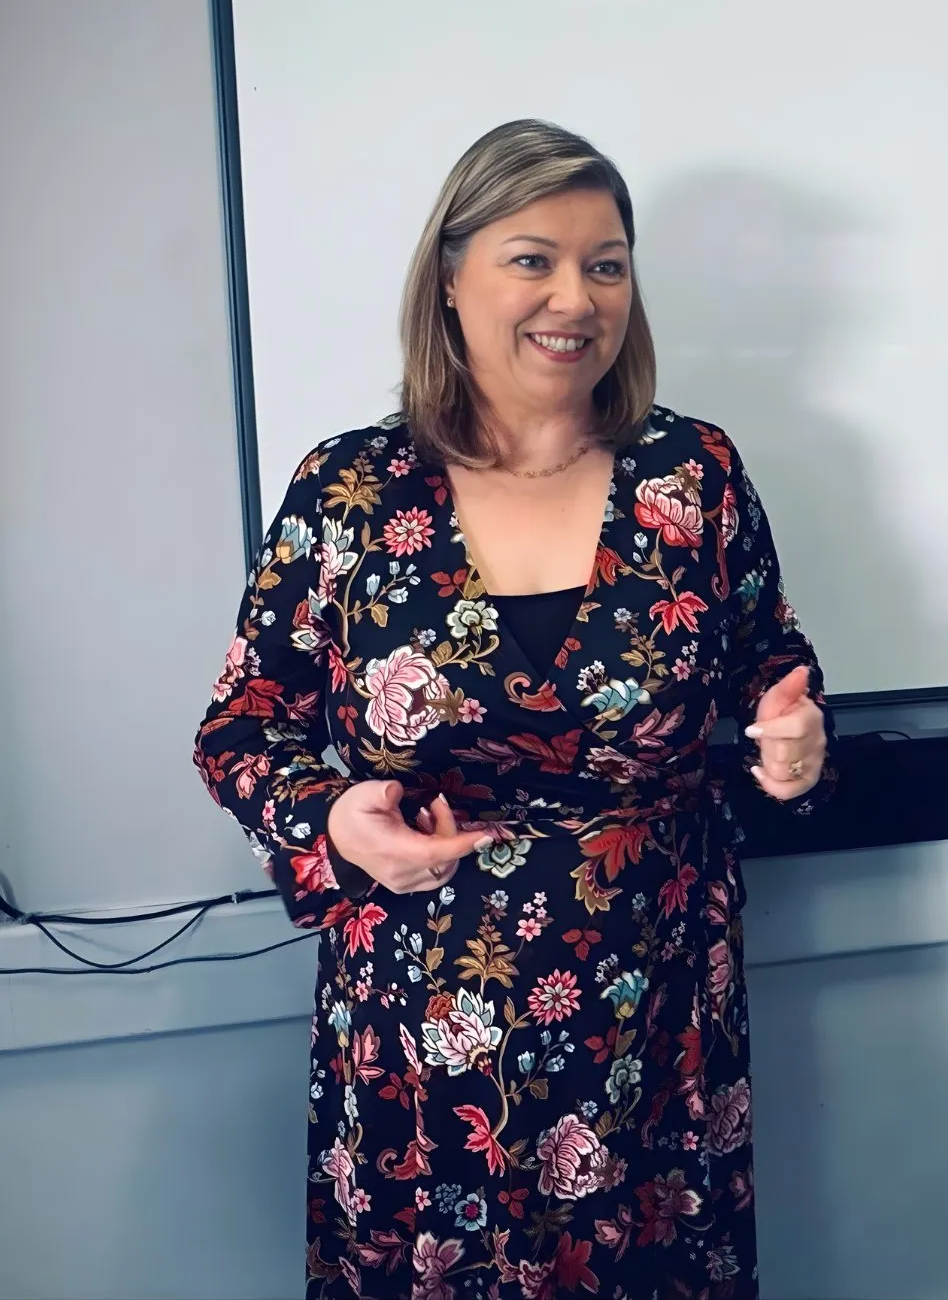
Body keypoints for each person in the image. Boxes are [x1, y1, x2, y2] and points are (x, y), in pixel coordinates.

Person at [194, 118, 837, 1300]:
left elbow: (769, 664)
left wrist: (793, 742)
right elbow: (242, 727)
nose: (574, 297)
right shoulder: (348, 488)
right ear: (449, 278)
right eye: (531, 258)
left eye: (606, 264)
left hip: (655, 1007)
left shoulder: (691, 474)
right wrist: (332, 817)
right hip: (422, 1017)